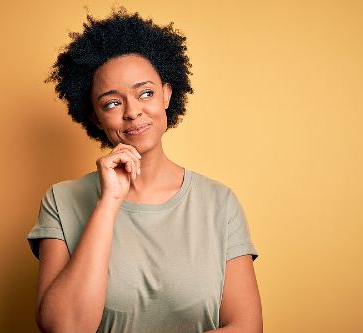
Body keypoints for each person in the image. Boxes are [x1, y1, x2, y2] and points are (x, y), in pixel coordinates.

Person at [27, 6, 262, 333]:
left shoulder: (219, 203)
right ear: (96, 117)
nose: (133, 112)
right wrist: (109, 202)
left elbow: (246, 326)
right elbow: (64, 327)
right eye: (112, 102)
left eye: (145, 93)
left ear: (166, 94)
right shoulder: (61, 202)